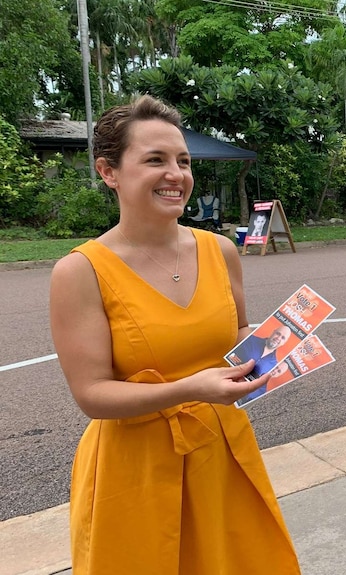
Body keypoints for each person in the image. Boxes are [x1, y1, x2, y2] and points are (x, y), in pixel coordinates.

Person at [48, 95, 301, 574]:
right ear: (109, 172)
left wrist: (274, 349)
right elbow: (92, 395)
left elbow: (238, 331)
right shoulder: (80, 272)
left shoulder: (220, 249)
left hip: (221, 454)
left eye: (183, 161)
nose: (176, 174)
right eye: (155, 160)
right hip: (135, 469)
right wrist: (191, 388)